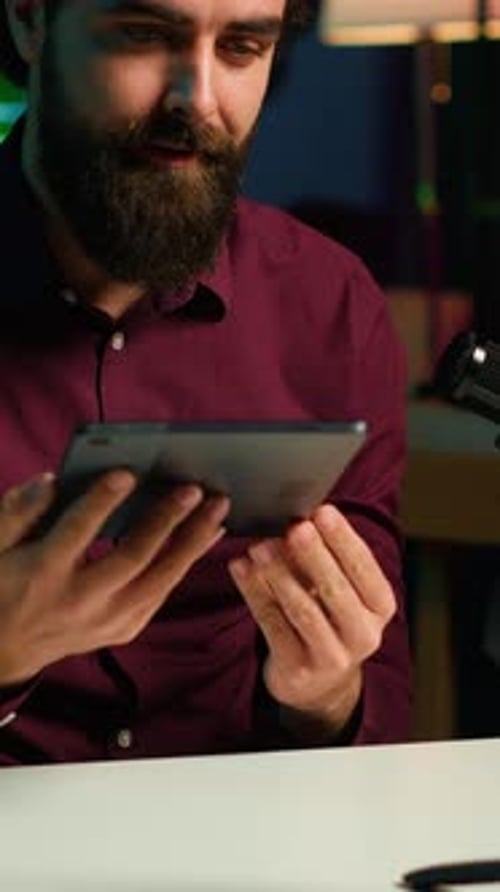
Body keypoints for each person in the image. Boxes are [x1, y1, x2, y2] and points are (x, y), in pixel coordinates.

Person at [0, 0, 411, 766]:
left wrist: (324, 698)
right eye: (145, 36)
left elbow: (377, 721)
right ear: (30, 21)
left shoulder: (329, 305)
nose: (199, 98)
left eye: (243, 47)